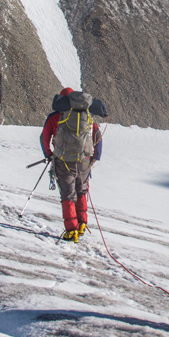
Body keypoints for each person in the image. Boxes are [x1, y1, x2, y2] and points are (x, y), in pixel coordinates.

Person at [41, 87, 103, 242]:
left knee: (68, 195)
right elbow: (97, 136)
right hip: (84, 162)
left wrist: (49, 154)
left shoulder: (55, 117)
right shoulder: (86, 116)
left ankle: (72, 231)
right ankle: (81, 225)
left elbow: (44, 137)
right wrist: (94, 157)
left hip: (63, 162)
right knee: (81, 191)